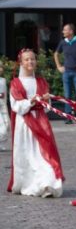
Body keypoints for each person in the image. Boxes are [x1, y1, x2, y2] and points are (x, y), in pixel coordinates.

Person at [7, 49, 64, 197]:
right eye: (27, 60)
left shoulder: (41, 81)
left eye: (32, 59)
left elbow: (46, 108)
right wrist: (30, 102)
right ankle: (29, 183)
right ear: (21, 62)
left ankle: (47, 184)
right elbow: (16, 106)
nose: (30, 62)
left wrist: (45, 100)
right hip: (25, 125)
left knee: (44, 155)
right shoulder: (15, 83)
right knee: (29, 156)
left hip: (41, 122)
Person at [53, 23, 76, 123]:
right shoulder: (63, 42)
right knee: (67, 95)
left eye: (65, 30)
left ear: (71, 31)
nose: (63, 32)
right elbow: (56, 53)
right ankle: (68, 117)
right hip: (66, 72)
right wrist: (59, 66)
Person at [0, 62, 10, 151]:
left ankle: (2, 143)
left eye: (1, 67)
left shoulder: (3, 80)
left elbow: (5, 94)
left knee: (6, 124)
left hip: (3, 105)